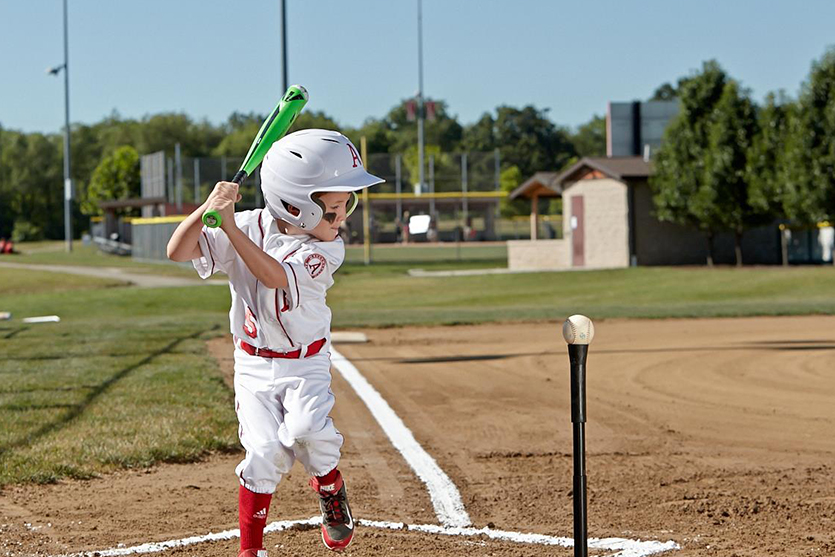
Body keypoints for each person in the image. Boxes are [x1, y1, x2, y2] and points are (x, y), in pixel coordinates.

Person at [166, 130, 383, 556]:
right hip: (252, 366)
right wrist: (208, 208)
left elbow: (272, 275)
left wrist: (228, 224)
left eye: (346, 206)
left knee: (306, 433)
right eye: (334, 208)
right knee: (262, 452)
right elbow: (178, 250)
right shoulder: (246, 226)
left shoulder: (327, 250)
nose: (343, 217)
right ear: (295, 205)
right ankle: (251, 550)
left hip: (305, 364)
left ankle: (330, 487)